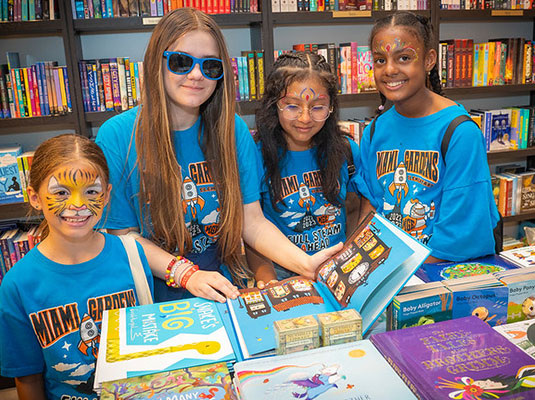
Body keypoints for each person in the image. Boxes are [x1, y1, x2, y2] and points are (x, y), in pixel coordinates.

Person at [95, 8, 341, 303]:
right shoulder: (118, 135)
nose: (196, 75)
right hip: (155, 300)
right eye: (181, 62)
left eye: (210, 66)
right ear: (155, 63)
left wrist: (305, 264)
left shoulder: (231, 130)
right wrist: (186, 274)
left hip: (226, 292)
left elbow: (251, 221)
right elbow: (124, 235)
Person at [0, 134, 153, 400]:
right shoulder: (18, 285)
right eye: (60, 192)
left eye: (91, 191)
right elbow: (28, 379)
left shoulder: (132, 255)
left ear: (106, 196)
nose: (78, 205)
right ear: (35, 197)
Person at [358, 11, 500, 263]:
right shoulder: (374, 130)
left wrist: (395, 272)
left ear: (429, 60)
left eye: (403, 58)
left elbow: (459, 235)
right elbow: (372, 210)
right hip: (392, 269)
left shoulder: (460, 132)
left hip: (441, 274)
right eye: (380, 60)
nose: (390, 69)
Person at [248, 52, 361, 286]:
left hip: (336, 275)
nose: (305, 118)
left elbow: (353, 210)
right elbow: (252, 231)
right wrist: (267, 281)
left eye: (318, 107)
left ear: (331, 107)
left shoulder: (346, 150)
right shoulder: (255, 155)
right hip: (282, 278)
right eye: (292, 106)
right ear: (274, 105)